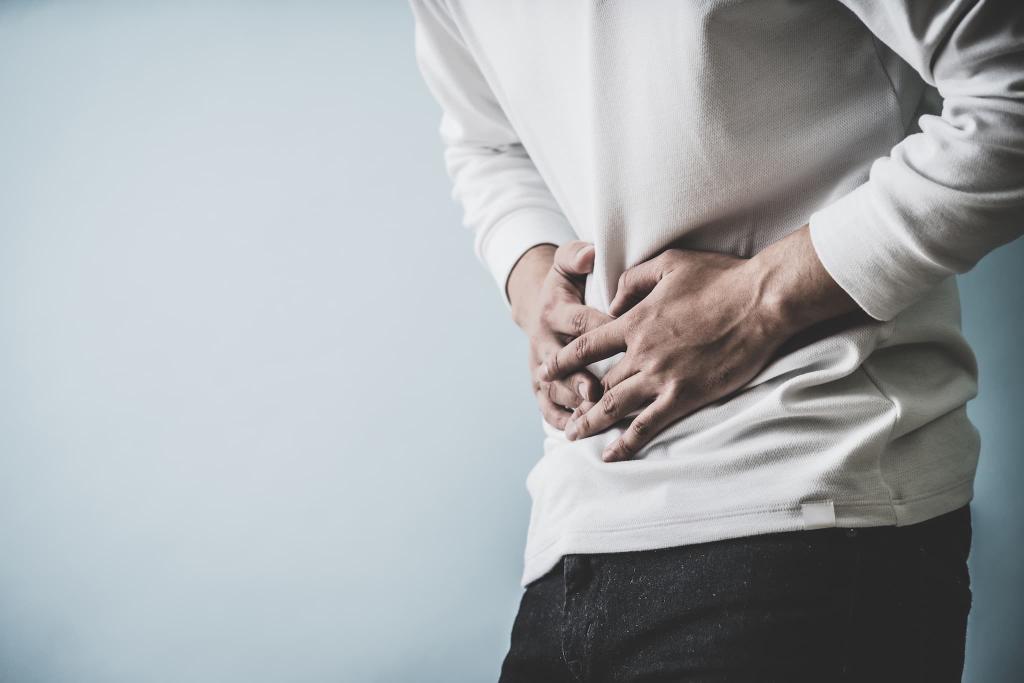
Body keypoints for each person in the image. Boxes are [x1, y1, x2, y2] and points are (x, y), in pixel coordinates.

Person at [409, 1, 1023, 680]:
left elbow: (1010, 93)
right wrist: (534, 284)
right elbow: (487, 140)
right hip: (575, 528)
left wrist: (762, 297)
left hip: (812, 498)